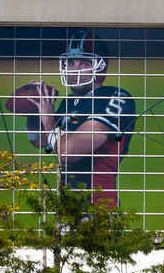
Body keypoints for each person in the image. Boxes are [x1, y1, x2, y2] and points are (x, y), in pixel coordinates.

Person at [9, 32, 137, 205]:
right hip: (69, 200)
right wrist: (35, 110)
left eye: (84, 62)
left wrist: (47, 118)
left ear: (100, 66)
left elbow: (69, 152)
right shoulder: (70, 101)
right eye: (70, 62)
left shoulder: (114, 97)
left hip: (97, 202)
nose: (74, 68)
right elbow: (41, 141)